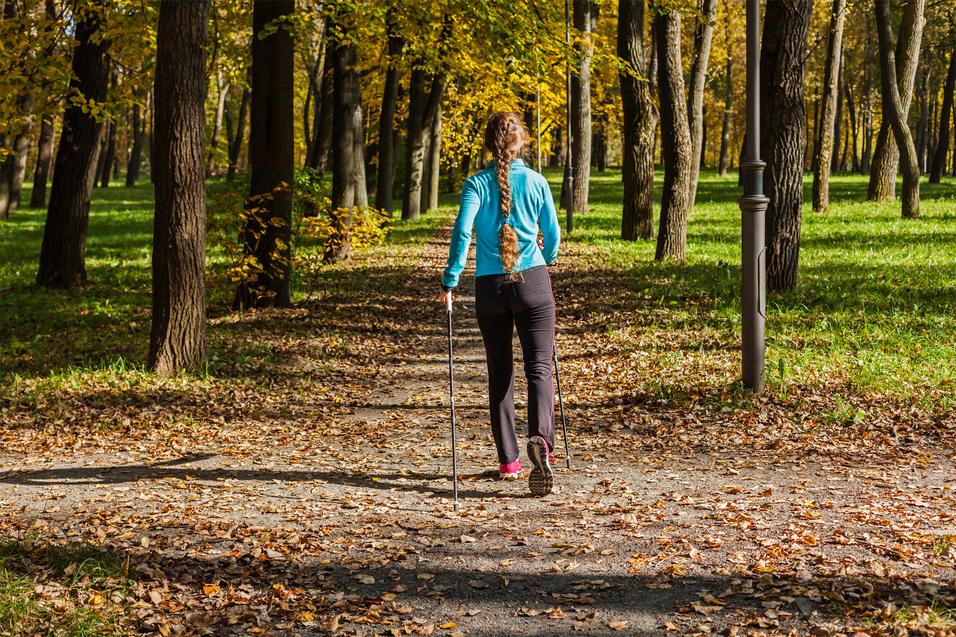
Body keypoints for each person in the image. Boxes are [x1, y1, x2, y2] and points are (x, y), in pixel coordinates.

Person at [439, 111, 561, 497]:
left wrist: (450, 279)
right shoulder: (537, 181)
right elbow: (553, 234)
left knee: (500, 371)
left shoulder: (475, 183)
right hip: (534, 284)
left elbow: (462, 231)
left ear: (488, 144)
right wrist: (548, 256)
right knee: (539, 368)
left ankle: (509, 460)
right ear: (521, 141)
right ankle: (541, 442)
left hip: (490, 287)